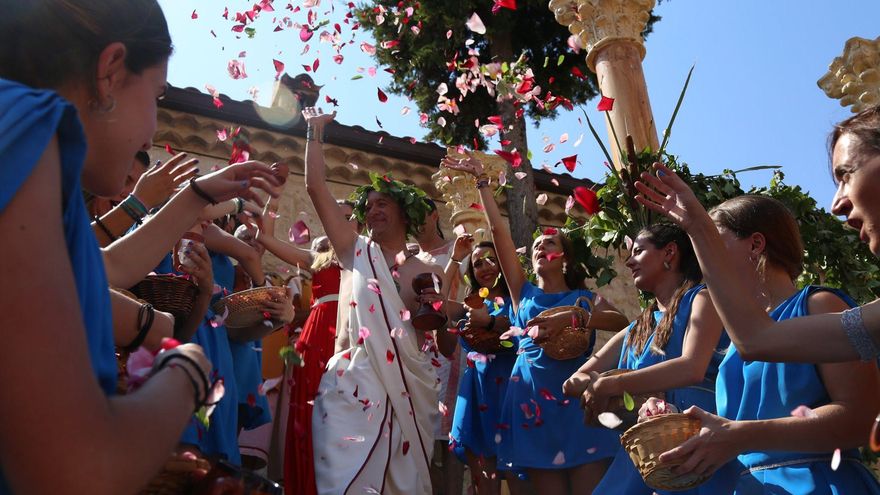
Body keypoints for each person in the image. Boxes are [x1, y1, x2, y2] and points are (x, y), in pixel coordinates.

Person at [0, 1, 281, 493]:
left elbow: (99, 268)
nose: (152, 128)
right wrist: (185, 374)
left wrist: (195, 196)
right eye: (156, 95)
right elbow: (77, 469)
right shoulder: (29, 130)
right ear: (110, 72)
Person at [636, 195, 880, 494]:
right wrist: (676, 422)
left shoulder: (818, 305)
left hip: (817, 483)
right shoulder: (734, 342)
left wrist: (742, 435)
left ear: (755, 244)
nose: (703, 257)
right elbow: (736, 431)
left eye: (712, 240)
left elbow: (859, 418)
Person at [443, 152, 629, 495]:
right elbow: (500, 234)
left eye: (551, 244)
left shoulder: (583, 297)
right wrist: (483, 181)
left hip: (579, 405)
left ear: (566, 257)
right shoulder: (521, 294)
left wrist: (581, 316)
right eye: (537, 247)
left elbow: (622, 322)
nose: (542, 248)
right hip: (531, 404)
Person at [631, 107, 880, 364]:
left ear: (756, 244)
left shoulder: (818, 306)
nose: (836, 204)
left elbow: (855, 404)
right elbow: (755, 340)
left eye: (846, 175)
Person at [303, 107, 447, 494]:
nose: (372, 210)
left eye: (382, 203)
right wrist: (314, 132)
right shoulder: (354, 249)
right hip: (352, 387)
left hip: (409, 391)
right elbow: (316, 187)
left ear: (404, 211)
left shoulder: (426, 270)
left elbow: (439, 338)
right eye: (369, 206)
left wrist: (437, 311)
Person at [563, 223, 733, 494]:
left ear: (669, 252)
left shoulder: (702, 299)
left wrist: (613, 385)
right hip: (645, 452)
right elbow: (573, 381)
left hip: (695, 440)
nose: (629, 262)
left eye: (639, 251)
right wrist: (598, 385)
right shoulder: (635, 328)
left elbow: (692, 367)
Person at [256, 198, 360, 495]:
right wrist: (274, 199)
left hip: (352, 335)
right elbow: (266, 237)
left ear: (359, 222)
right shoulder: (318, 254)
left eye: (348, 217)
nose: (339, 221)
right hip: (316, 337)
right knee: (309, 413)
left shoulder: (368, 255)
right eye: (333, 215)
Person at [447, 239, 529, 495]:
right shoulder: (470, 305)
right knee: (484, 479)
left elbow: (522, 332)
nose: (485, 267)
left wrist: (491, 321)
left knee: (519, 475)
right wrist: (454, 258)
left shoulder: (520, 298)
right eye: (477, 263)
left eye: (491, 259)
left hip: (512, 386)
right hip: (478, 389)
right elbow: (440, 303)